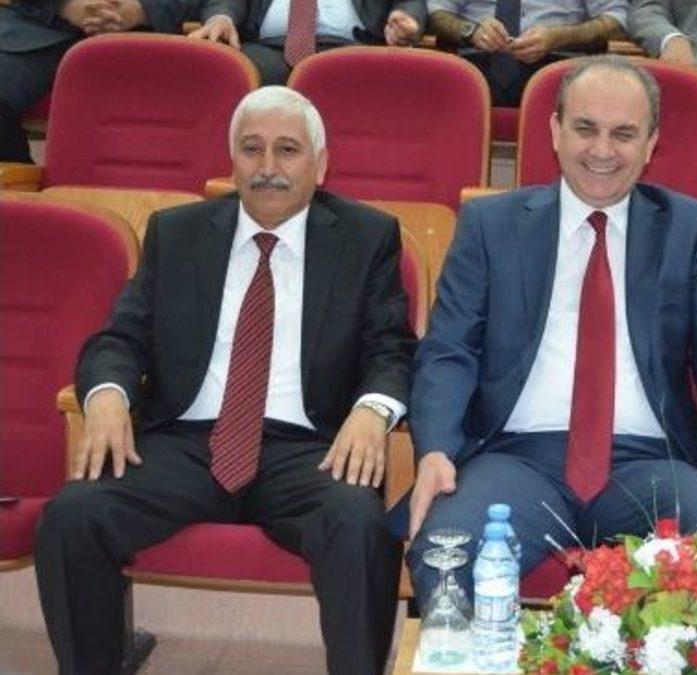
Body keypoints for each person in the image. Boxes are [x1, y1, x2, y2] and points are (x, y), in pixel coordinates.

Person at [34, 86, 416, 675]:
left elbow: (392, 348)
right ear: (231, 158)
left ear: (320, 164)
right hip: (187, 442)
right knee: (71, 517)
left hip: (307, 448)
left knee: (359, 523)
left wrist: (372, 410)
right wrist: (107, 395)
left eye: (287, 150)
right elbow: (119, 338)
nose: (267, 167)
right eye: (251, 148)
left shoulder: (365, 238)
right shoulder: (177, 233)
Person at [395, 55, 697, 609]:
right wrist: (435, 451)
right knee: (445, 554)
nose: (602, 150)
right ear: (555, 130)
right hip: (515, 457)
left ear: (651, 143)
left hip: (647, 460)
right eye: (585, 128)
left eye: (624, 134)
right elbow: (449, 350)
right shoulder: (492, 225)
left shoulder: (685, 228)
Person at [0, 0, 191, 163]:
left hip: (143, 42)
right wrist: (66, 6)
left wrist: (141, 10)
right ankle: (19, 187)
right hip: (37, 33)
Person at [426, 0, 628, 106]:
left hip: (557, 65)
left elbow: (616, 22)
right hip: (476, 63)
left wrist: (560, 37)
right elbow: (437, 15)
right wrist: (471, 31)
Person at [189, 0, 427, 86]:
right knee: (230, 70)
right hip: (266, 49)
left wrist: (407, 19)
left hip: (350, 49)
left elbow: (410, 3)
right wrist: (221, 18)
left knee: (366, 75)